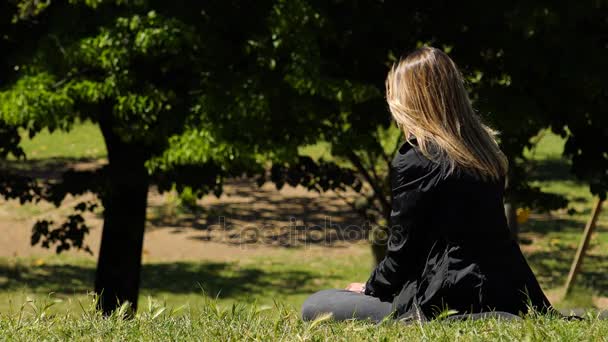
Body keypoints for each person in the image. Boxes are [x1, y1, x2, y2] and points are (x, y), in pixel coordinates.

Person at [301, 46, 553, 323]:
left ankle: (466, 318)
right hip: (507, 289)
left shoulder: (418, 158)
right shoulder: (485, 153)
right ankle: (489, 315)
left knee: (317, 304)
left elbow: (403, 252)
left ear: (409, 101)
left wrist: (370, 288)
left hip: (448, 293)